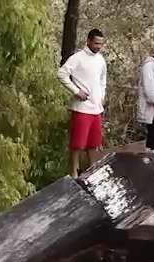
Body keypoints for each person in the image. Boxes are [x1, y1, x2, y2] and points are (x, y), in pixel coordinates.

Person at [57, 29, 107, 178]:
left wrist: (102, 96)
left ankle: (92, 172)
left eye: (101, 44)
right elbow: (61, 74)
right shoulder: (78, 58)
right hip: (81, 108)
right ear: (89, 41)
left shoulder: (100, 59)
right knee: (77, 144)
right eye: (96, 43)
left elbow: (103, 80)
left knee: (93, 144)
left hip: (96, 108)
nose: (98, 46)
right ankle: (73, 173)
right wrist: (76, 91)